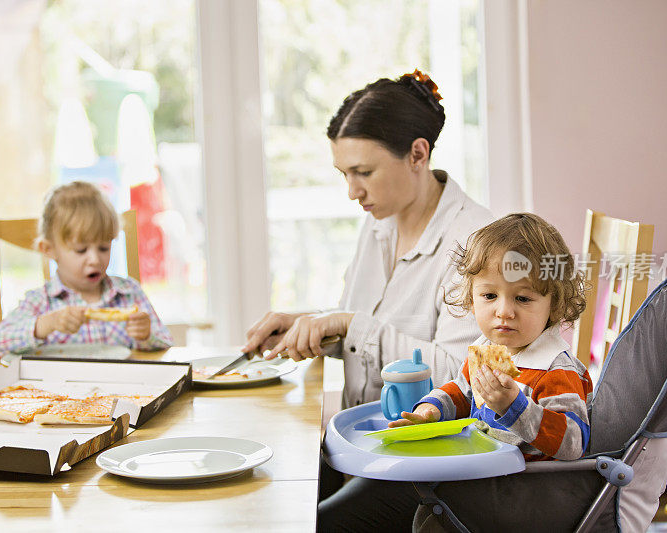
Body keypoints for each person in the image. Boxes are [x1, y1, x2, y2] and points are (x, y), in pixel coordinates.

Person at [241, 70, 493, 532]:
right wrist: (311, 323)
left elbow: (468, 373)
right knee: (256, 496)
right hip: (364, 445)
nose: (352, 191)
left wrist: (349, 325)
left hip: (426, 466)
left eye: (363, 172)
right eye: (344, 174)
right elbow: (368, 327)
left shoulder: (475, 242)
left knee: (301, 522)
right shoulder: (381, 223)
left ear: (418, 153)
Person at [389, 213, 594, 532]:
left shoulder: (554, 367)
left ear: (554, 306)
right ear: (472, 299)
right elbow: (460, 391)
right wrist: (431, 410)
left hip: (532, 495)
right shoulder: (486, 349)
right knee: (422, 500)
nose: (504, 311)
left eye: (523, 298)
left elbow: (573, 442)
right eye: (489, 296)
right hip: (488, 472)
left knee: (432, 517)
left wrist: (513, 406)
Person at [0, 181, 172, 361]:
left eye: (104, 248)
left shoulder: (129, 292)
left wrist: (146, 336)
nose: (95, 259)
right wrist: (44, 325)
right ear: (48, 249)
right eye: (81, 250)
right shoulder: (41, 301)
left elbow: (166, 344)